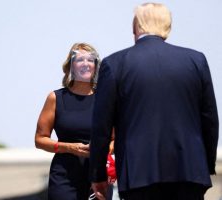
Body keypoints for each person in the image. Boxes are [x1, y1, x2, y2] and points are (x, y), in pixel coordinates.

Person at [89, 2, 219, 200]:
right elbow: (210, 119)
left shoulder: (114, 64)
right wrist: (205, 163)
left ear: (136, 27)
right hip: (190, 171)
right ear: (168, 26)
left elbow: (101, 127)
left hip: (139, 174)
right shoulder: (196, 60)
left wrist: (98, 173)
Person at [35, 43, 114, 200]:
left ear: (96, 65)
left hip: (98, 175)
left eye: (90, 60)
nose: (85, 64)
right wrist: (69, 147)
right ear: (70, 66)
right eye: (80, 60)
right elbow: (40, 139)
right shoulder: (55, 98)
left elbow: (114, 139)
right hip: (64, 176)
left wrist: (103, 150)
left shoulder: (106, 99)